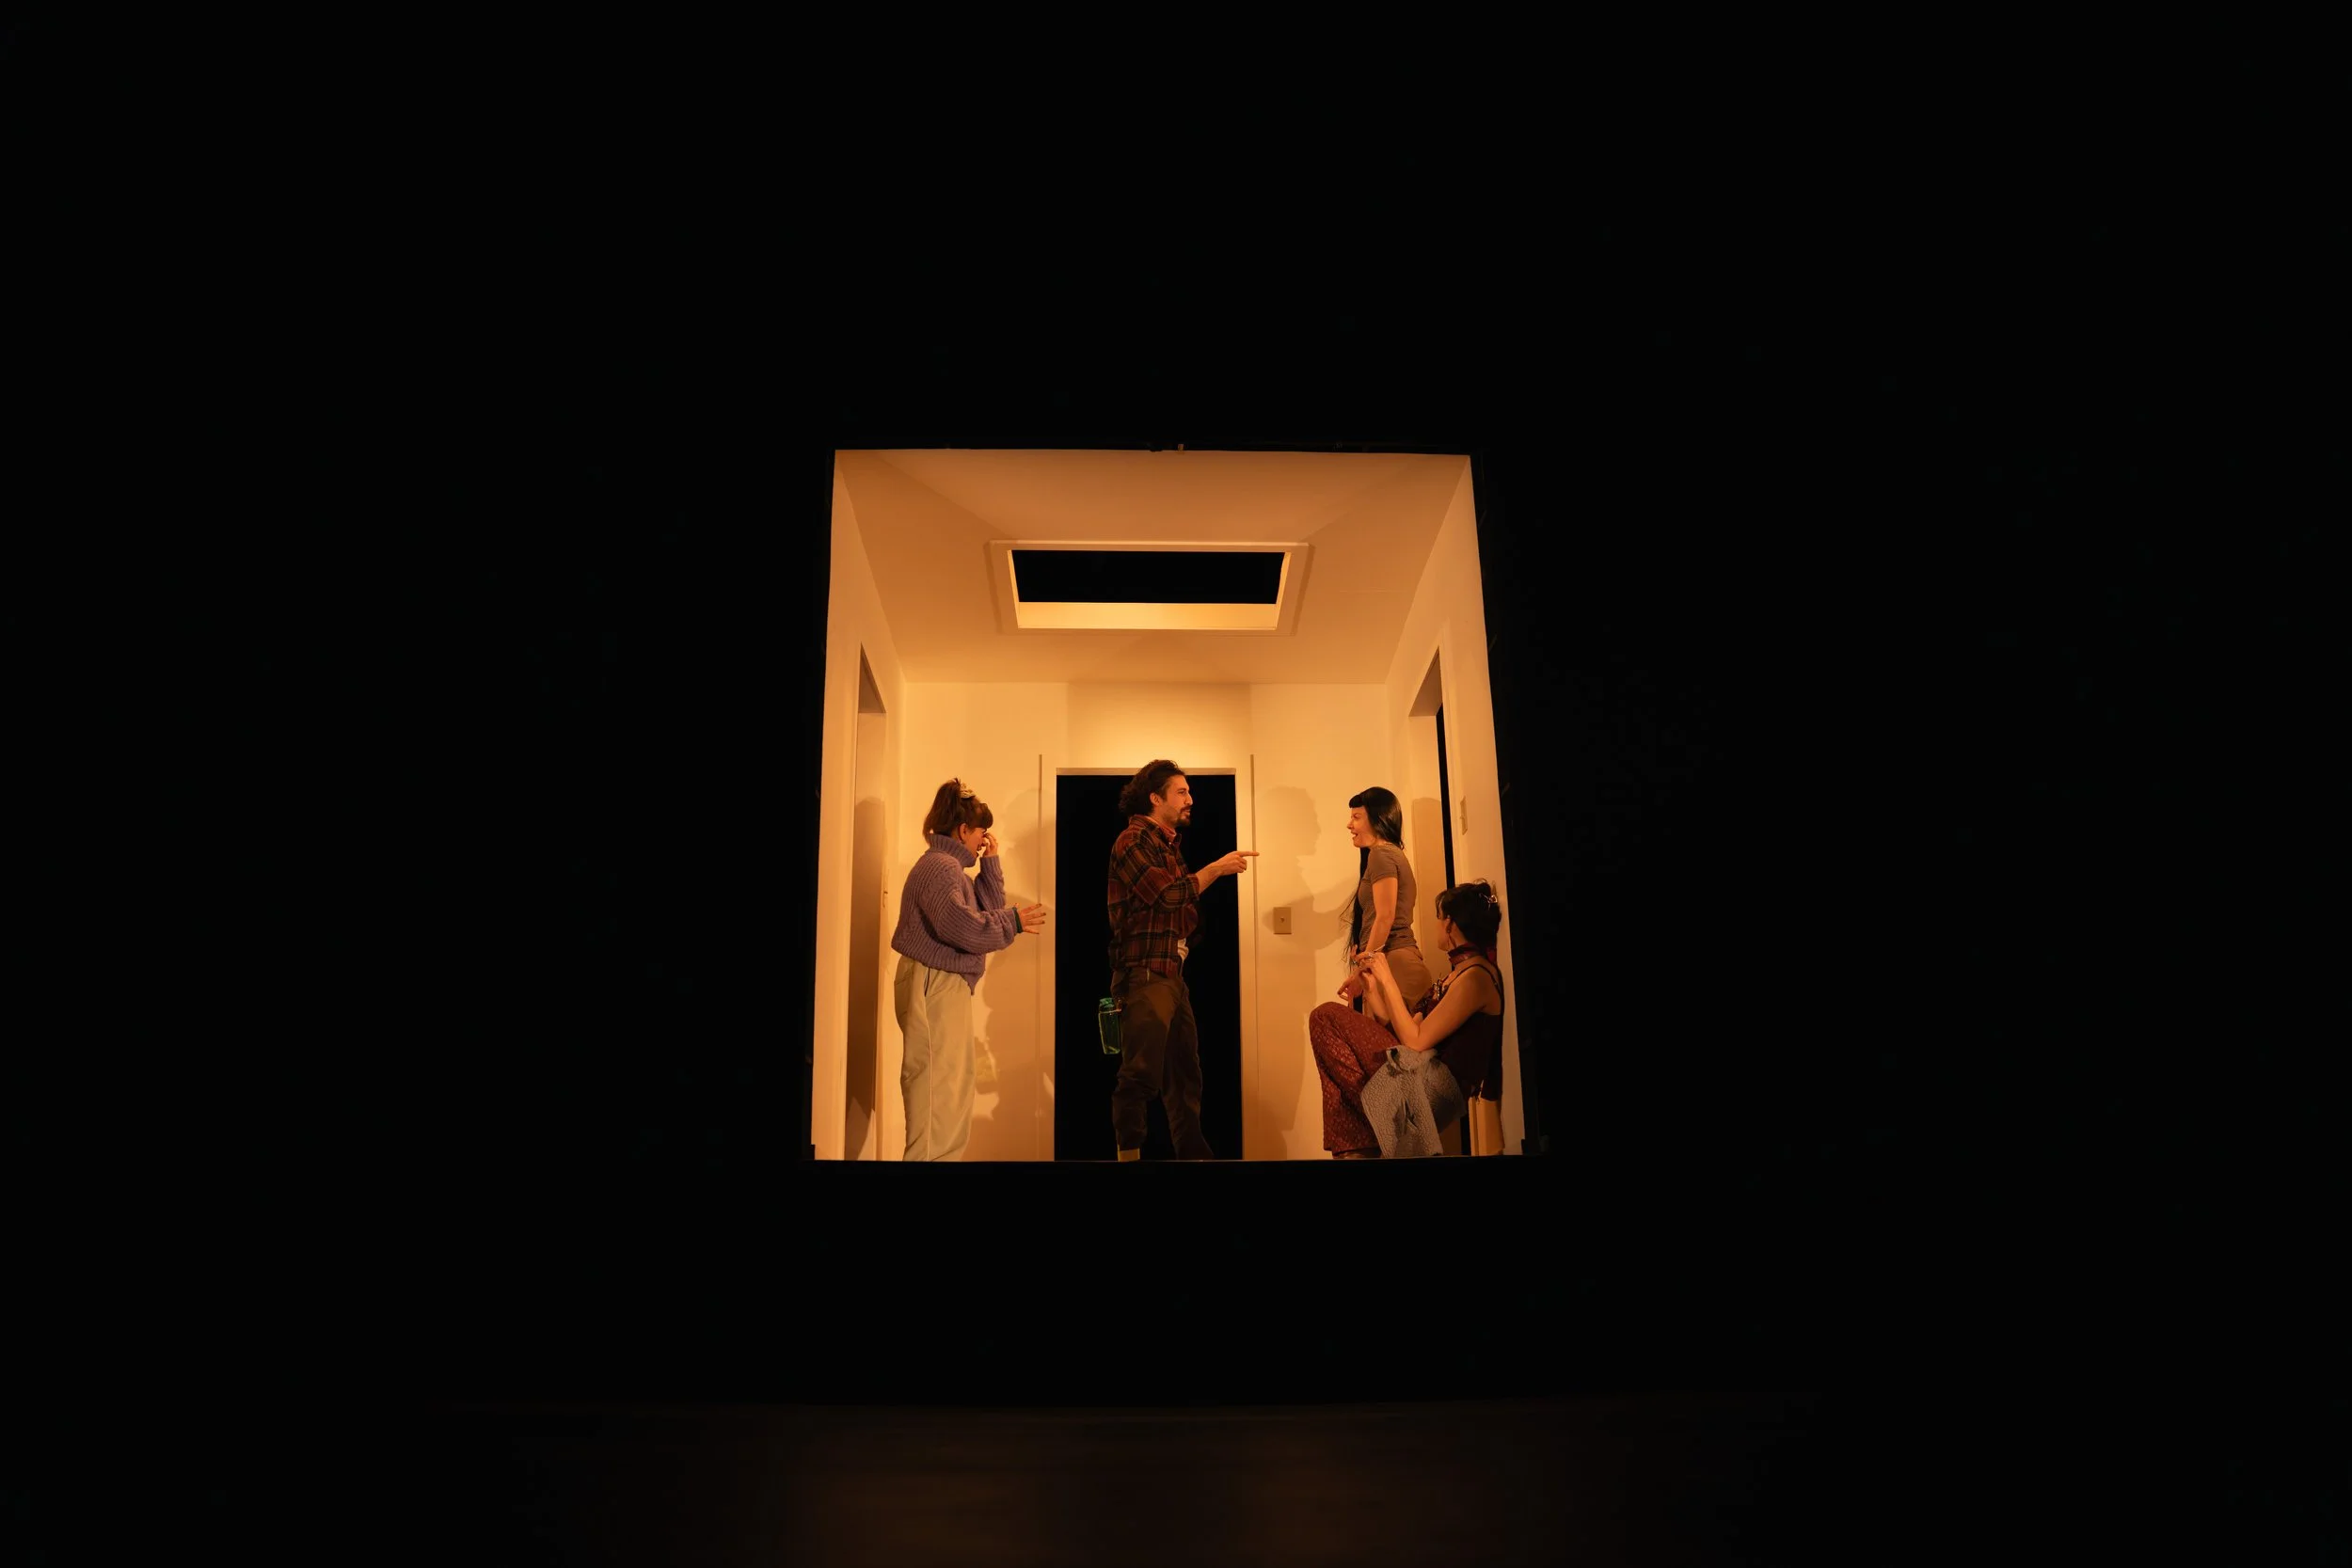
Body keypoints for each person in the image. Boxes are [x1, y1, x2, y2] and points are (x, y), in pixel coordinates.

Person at [1104, 759, 1257, 1161]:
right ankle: (1128, 1159)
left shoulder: (1166, 845)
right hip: (1145, 973)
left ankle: (1193, 1157)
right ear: (1156, 799)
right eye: (1181, 792)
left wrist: (1185, 925)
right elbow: (1169, 895)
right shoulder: (1133, 841)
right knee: (1140, 1074)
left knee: (1185, 1075)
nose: (1191, 799)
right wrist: (1216, 869)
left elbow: (1184, 910)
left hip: (1170, 973)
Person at [889, 778, 1048, 1162]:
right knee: (937, 1089)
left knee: (951, 1088)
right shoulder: (940, 868)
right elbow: (967, 929)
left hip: (942, 983)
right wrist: (1013, 921)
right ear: (963, 830)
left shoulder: (952, 871)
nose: (983, 840)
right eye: (980, 832)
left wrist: (990, 864)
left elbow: (984, 913)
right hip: (934, 981)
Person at [1307, 879, 1505, 1158]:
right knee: (1333, 1060)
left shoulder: (1476, 979)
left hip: (1435, 1086)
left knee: (1325, 1016)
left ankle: (1375, 1129)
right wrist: (1372, 989)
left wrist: (1387, 977)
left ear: (1450, 924)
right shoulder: (1458, 973)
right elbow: (1403, 1033)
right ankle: (1363, 1143)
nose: (1437, 925)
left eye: (1439, 918)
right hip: (1419, 1070)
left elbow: (1415, 1042)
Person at [1334, 786, 1433, 1030]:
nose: (1349, 825)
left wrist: (1363, 969)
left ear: (1378, 820)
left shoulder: (1381, 855)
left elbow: (1385, 916)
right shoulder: (1388, 855)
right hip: (1391, 962)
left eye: (1357, 817)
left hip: (1396, 964)